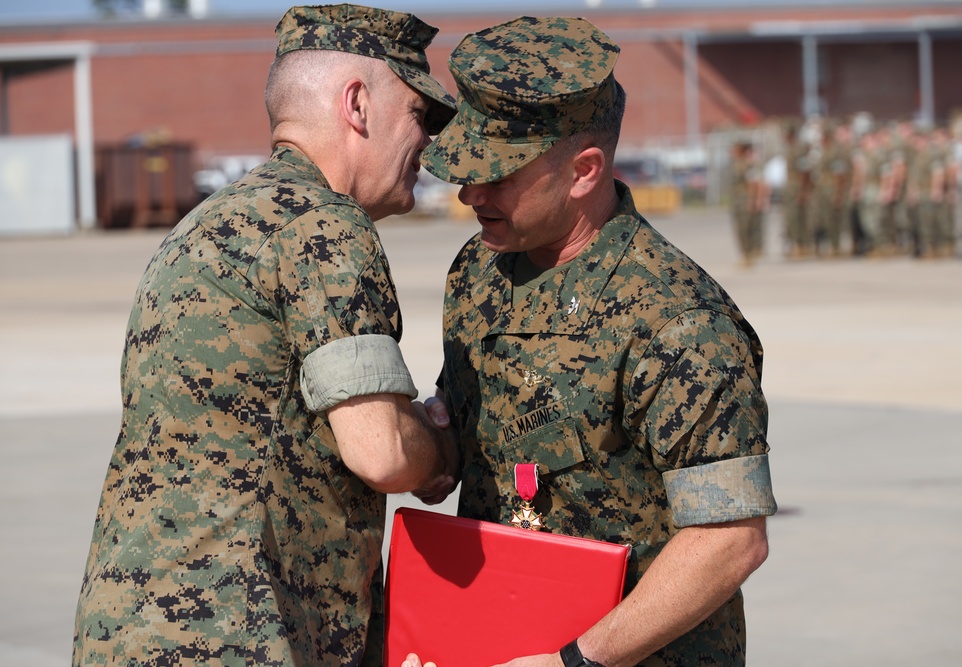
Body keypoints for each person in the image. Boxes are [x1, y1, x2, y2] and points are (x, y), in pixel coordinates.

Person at [73, 4, 458, 666]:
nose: (427, 142)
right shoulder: (326, 227)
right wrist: (439, 448)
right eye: (419, 115)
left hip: (129, 631)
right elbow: (383, 452)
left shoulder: (200, 227)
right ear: (358, 105)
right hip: (245, 634)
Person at [410, 15, 776, 667]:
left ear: (584, 170)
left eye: (498, 173)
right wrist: (429, 440)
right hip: (495, 638)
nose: (469, 191)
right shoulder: (479, 270)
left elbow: (729, 539)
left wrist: (573, 661)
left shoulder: (676, 319)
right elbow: (469, 434)